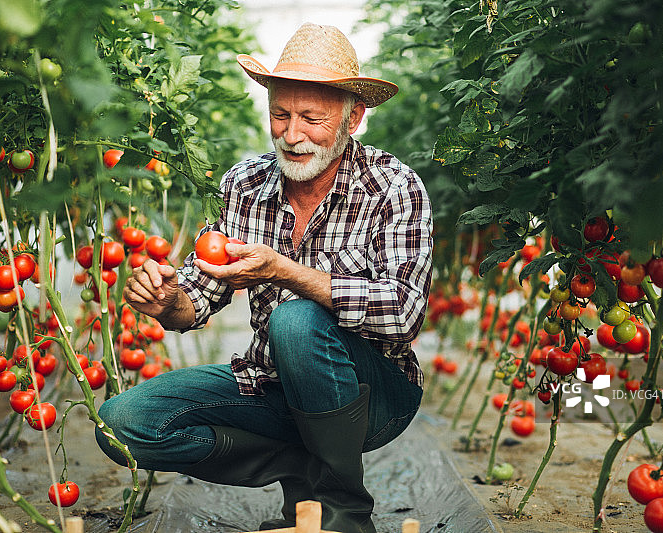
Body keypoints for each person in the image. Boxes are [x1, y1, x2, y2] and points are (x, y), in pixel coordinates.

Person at [95, 23, 432, 533]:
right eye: (280, 114)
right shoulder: (244, 184)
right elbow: (197, 297)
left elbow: (404, 316)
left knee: (296, 320)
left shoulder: (393, 187)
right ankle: (299, 465)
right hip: (272, 384)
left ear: (353, 118)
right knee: (123, 424)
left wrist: (285, 271)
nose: (292, 135)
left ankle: (343, 513)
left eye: (311, 119)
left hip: (375, 393)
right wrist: (168, 300)